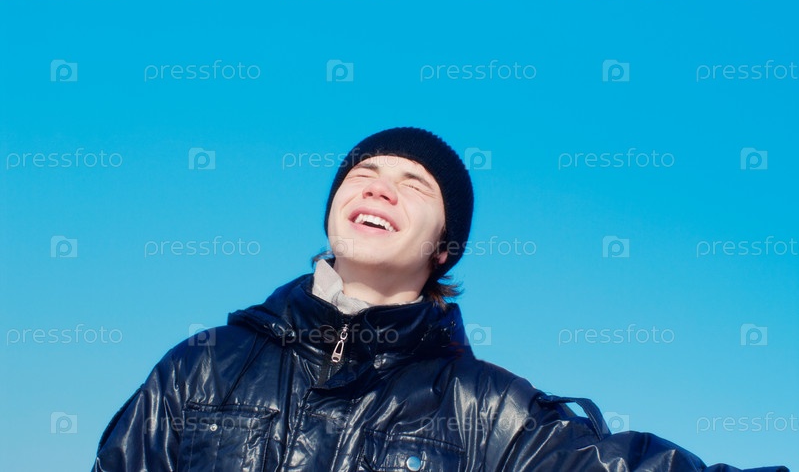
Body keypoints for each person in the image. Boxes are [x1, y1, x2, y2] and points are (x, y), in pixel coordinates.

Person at [93, 127, 787, 471]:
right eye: (363, 173)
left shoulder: (486, 409)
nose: (378, 185)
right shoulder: (204, 364)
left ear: (443, 247)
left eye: (413, 184)